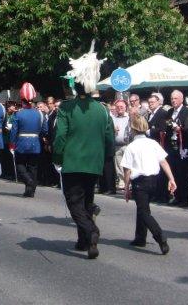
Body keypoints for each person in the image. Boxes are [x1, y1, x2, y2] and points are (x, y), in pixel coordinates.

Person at [53, 44, 115, 260]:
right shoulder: (102, 109)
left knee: (74, 204)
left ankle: (91, 232)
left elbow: (60, 136)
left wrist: (57, 158)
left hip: (73, 162)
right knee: (87, 202)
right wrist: (105, 160)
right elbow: (109, 139)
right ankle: (84, 241)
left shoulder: (66, 108)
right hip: (94, 164)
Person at [121, 114, 176, 255]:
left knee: (144, 212)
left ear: (133, 130)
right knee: (143, 208)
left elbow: (127, 170)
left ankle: (160, 236)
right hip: (155, 180)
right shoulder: (153, 143)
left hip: (140, 182)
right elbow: (163, 162)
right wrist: (171, 179)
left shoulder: (131, 146)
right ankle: (140, 237)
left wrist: (126, 187)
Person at [9, 87, 48, 198]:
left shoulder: (18, 114)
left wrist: (12, 143)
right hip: (35, 143)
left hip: (21, 143)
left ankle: (29, 182)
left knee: (20, 165)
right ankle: (30, 190)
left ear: (22, 100)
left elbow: (14, 131)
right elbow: (45, 130)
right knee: (33, 167)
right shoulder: (40, 114)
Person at [163, 89, 188, 207]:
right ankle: (176, 196)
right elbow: (167, 123)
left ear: (181, 99)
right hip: (172, 145)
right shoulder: (170, 111)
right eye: (171, 98)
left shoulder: (187, 111)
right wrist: (171, 126)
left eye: (175, 98)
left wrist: (180, 129)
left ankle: (185, 198)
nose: (173, 101)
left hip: (183, 146)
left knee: (183, 173)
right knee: (174, 172)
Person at [111, 99, 130, 191]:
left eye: (121, 107)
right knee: (118, 165)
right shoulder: (113, 118)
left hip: (127, 145)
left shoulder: (129, 117)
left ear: (125, 107)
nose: (119, 108)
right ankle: (122, 181)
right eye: (118, 107)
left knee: (127, 164)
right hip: (117, 145)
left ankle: (128, 182)